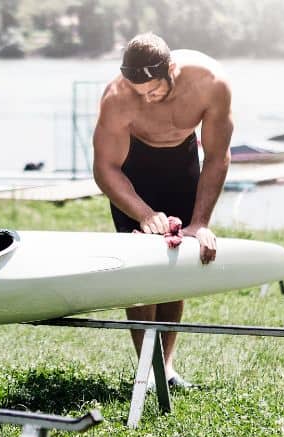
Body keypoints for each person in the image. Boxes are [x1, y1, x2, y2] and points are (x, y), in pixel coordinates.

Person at [92, 33, 233, 388]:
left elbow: (216, 157)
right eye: (140, 93)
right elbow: (105, 168)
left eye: (155, 90)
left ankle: (165, 368)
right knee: (140, 269)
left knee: (175, 265)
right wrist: (142, 213)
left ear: (172, 69)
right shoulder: (117, 98)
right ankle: (146, 368)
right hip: (132, 168)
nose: (149, 99)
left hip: (181, 162)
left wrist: (200, 222)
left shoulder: (211, 83)